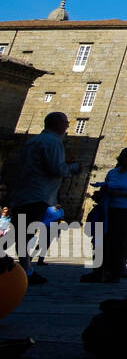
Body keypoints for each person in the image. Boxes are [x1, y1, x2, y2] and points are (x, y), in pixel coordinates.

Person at [6, 112, 79, 284]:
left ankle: (25, 268)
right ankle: (26, 271)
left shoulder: (33, 141)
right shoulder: (53, 142)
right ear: (57, 124)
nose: (68, 125)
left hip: (23, 192)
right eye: (65, 122)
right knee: (26, 233)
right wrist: (74, 168)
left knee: (20, 232)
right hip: (38, 194)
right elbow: (56, 168)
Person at [82, 148, 127, 284]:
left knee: (117, 242)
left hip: (123, 211)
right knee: (101, 240)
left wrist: (116, 192)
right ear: (121, 157)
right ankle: (98, 272)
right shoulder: (112, 172)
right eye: (125, 156)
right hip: (107, 209)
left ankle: (114, 274)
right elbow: (107, 187)